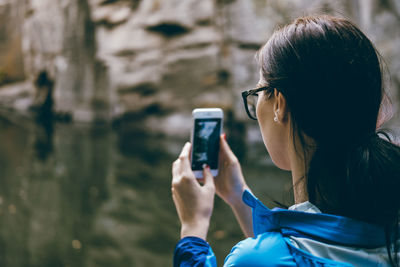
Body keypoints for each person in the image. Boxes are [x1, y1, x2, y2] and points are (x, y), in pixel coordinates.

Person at [171, 15, 400, 266]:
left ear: (279, 103)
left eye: (257, 92)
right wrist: (238, 196)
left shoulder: (252, 259)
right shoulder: (390, 228)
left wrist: (193, 228)